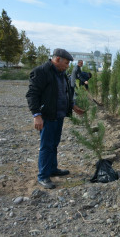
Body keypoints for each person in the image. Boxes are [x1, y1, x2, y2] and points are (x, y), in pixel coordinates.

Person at [26, 48, 84, 189]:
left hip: (59, 115)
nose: (67, 65)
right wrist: (36, 115)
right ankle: (43, 176)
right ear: (57, 59)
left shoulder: (61, 74)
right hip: (47, 116)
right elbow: (32, 94)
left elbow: (65, 92)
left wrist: (72, 106)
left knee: (54, 144)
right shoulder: (41, 72)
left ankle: (52, 168)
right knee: (46, 146)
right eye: (66, 63)